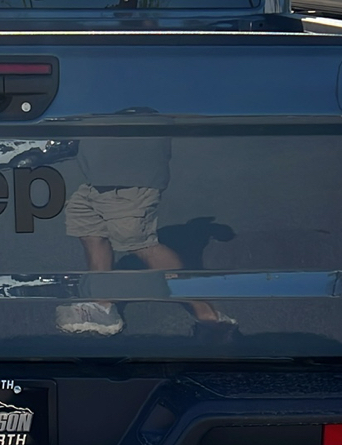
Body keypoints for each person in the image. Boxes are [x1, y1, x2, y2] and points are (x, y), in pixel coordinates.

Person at [54, 119, 235, 337]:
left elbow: (225, 233)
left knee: (140, 244)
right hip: (99, 178)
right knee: (87, 225)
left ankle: (208, 317)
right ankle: (103, 306)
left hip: (130, 177)